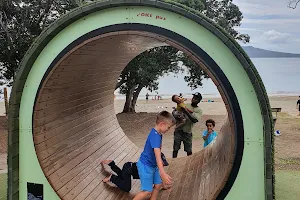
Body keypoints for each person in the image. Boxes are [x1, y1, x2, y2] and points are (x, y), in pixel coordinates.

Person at [133, 111, 175, 200]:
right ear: (162, 124)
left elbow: (159, 150)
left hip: (153, 165)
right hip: (146, 166)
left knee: (158, 184)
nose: (169, 129)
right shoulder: (155, 136)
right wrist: (162, 173)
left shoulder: (158, 133)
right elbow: (157, 156)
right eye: (168, 127)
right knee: (147, 191)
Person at [101, 153, 169, 192]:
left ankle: (111, 164)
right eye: (162, 164)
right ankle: (112, 178)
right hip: (128, 170)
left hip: (128, 166)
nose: (163, 166)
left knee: (122, 177)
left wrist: (163, 185)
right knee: (126, 188)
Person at [172, 92, 203, 158]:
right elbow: (179, 111)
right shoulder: (186, 105)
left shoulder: (199, 110)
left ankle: (190, 163)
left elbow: (194, 120)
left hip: (188, 132)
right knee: (175, 149)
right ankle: (173, 161)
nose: (194, 99)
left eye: (196, 98)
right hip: (178, 130)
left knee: (189, 150)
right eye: (193, 97)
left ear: (199, 101)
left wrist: (185, 110)